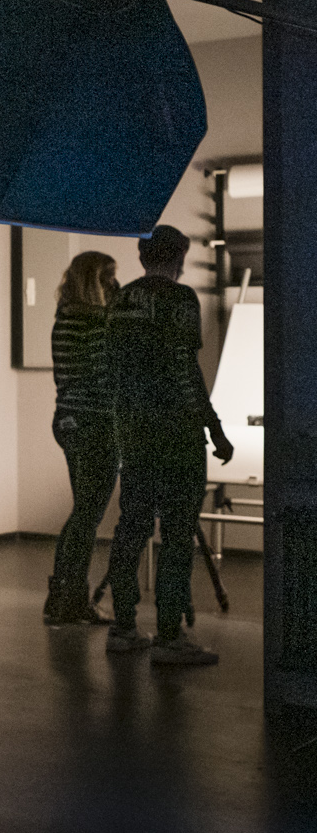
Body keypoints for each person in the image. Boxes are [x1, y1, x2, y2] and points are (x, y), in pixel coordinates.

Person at [100, 225, 235, 664]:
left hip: (133, 429)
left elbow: (115, 367)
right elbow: (185, 370)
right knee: (177, 534)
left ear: (142, 257)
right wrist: (214, 429)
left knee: (132, 527)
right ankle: (169, 638)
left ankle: (122, 629)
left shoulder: (120, 300)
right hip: (176, 430)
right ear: (178, 257)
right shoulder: (180, 299)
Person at [43, 251, 121, 625]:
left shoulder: (65, 319)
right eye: (109, 279)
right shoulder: (99, 322)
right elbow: (108, 374)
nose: (114, 285)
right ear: (95, 281)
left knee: (83, 513)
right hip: (96, 423)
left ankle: (63, 596)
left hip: (68, 421)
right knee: (88, 514)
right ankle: (70, 600)